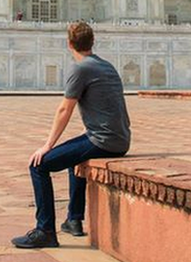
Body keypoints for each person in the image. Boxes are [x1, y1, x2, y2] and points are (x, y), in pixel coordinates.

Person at [11, 21, 130, 249]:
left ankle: (44, 230)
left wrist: (47, 145)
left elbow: (65, 109)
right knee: (73, 158)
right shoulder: (106, 66)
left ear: (69, 44)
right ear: (92, 42)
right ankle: (73, 219)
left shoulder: (81, 68)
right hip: (120, 139)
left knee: (39, 165)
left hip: (104, 140)